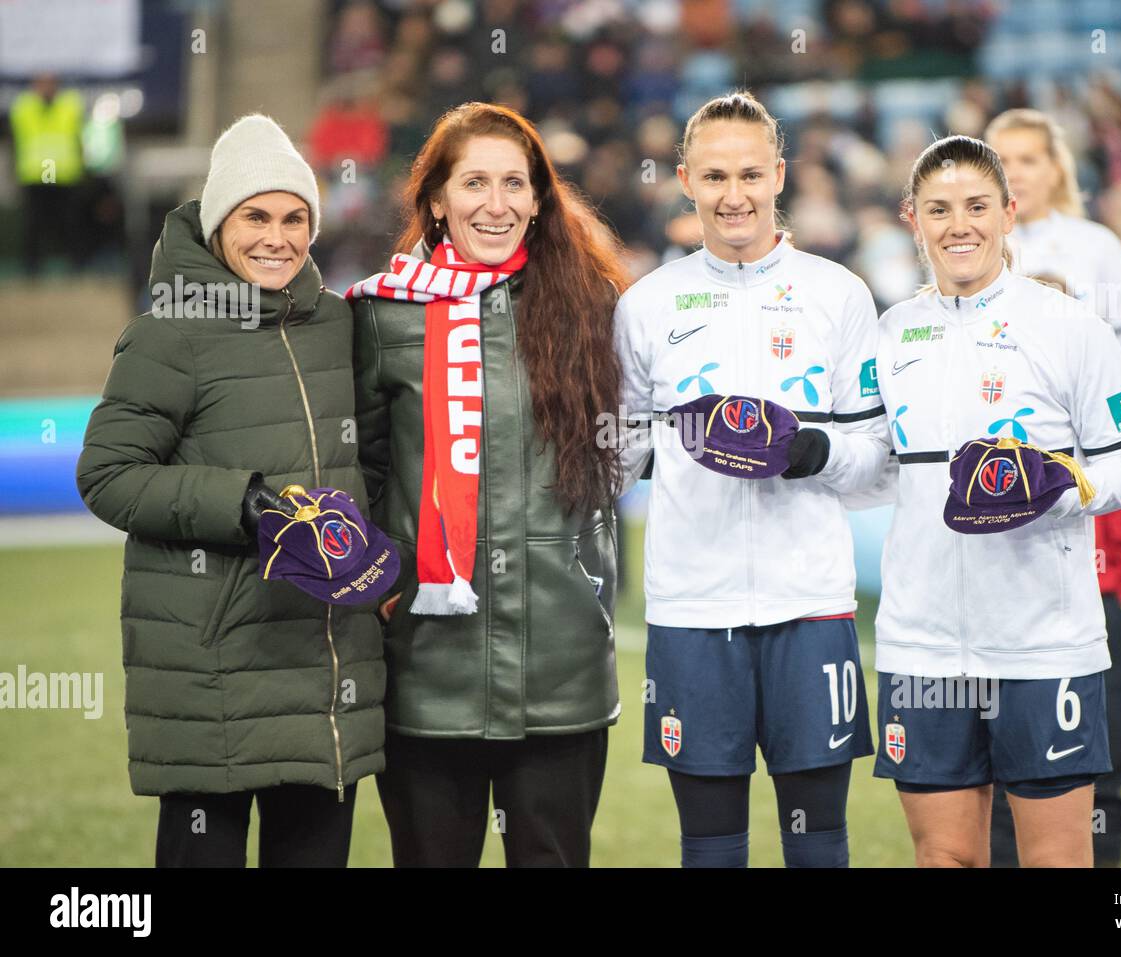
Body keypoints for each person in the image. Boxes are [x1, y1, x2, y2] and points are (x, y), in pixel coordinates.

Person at [76, 114, 386, 867]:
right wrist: (244, 507)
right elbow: (108, 474)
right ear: (218, 223)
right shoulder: (168, 332)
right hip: (212, 663)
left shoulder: (338, 324)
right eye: (255, 216)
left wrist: (364, 547)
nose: (276, 237)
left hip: (322, 662)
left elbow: (371, 457)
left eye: (294, 218)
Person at [615, 91, 891, 869]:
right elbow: (616, 452)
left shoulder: (837, 293)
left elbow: (878, 457)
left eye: (748, 174)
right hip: (691, 607)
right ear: (684, 180)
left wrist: (812, 453)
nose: (732, 195)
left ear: (778, 174)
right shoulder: (645, 305)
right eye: (712, 177)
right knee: (709, 844)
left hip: (810, 603)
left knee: (816, 841)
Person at [348, 102, 629, 868]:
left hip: (561, 662)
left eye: (515, 183)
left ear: (540, 198)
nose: (496, 204)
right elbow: (363, 465)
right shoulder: (380, 311)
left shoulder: (595, 305)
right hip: (426, 665)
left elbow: (627, 459)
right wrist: (378, 569)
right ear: (436, 198)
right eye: (474, 182)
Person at [870, 134, 1121, 868]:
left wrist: (1063, 485)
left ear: (1010, 211)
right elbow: (875, 470)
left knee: (1055, 861)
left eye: (976, 206)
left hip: (1043, 642)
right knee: (945, 858)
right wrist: (809, 453)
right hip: (922, 644)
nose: (957, 224)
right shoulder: (892, 331)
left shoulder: (1068, 326)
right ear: (913, 217)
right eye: (938, 209)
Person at [985, 108, 1121, 866]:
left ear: (1057, 165)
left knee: (1101, 661)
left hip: (1089, 487)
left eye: (1030, 157)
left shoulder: (1096, 248)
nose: (1019, 170)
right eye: (1004, 158)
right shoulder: (974, 242)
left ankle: (1105, 839)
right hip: (997, 499)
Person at [9, 73, 85, 274]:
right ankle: (31, 269)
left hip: (63, 173)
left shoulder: (70, 104)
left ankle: (75, 266)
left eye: (50, 82)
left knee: (68, 223)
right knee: (34, 224)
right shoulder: (24, 106)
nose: (46, 87)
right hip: (36, 173)